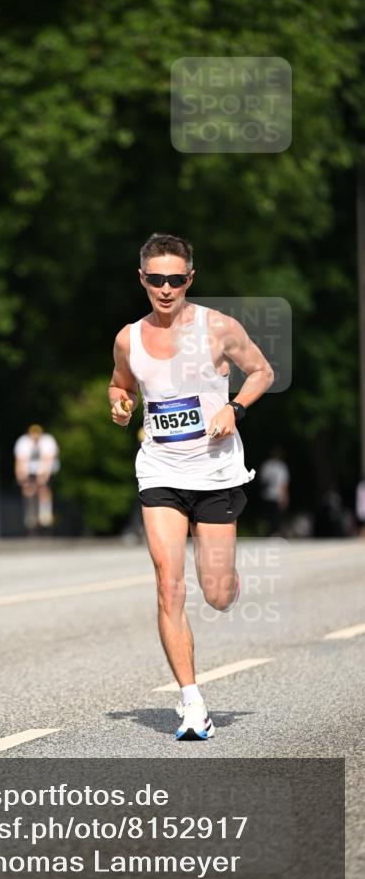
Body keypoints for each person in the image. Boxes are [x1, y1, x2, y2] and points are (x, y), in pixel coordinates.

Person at [109, 233, 274, 741]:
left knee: (218, 594)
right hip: (160, 469)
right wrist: (119, 404)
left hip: (215, 473)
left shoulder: (218, 328)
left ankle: (228, 579)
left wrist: (235, 408)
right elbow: (121, 384)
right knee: (167, 583)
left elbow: (262, 371)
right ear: (142, 279)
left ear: (190, 279)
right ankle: (192, 703)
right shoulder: (128, 338)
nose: (165, 288)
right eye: (156, 279)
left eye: (175, 279)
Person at [14, 425, 60, 532]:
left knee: (43, 488)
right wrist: (20, 476)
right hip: (30, 468)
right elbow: (20, 460)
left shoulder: (48, 441)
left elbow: (48, 459)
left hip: (48, 467)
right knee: (28, 489)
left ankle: (45, 515)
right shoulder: (23, 442)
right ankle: (30, 514)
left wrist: (44, 476)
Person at [258, 446, 290, 535]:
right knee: (273, 518)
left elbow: (263, 480)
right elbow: (283, 484)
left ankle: (273, 533)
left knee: (272, 517)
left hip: (270, 495)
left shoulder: (267, 465)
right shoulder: (280, 466)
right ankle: (274, 533)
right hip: (273, 496)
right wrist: (285, 497)